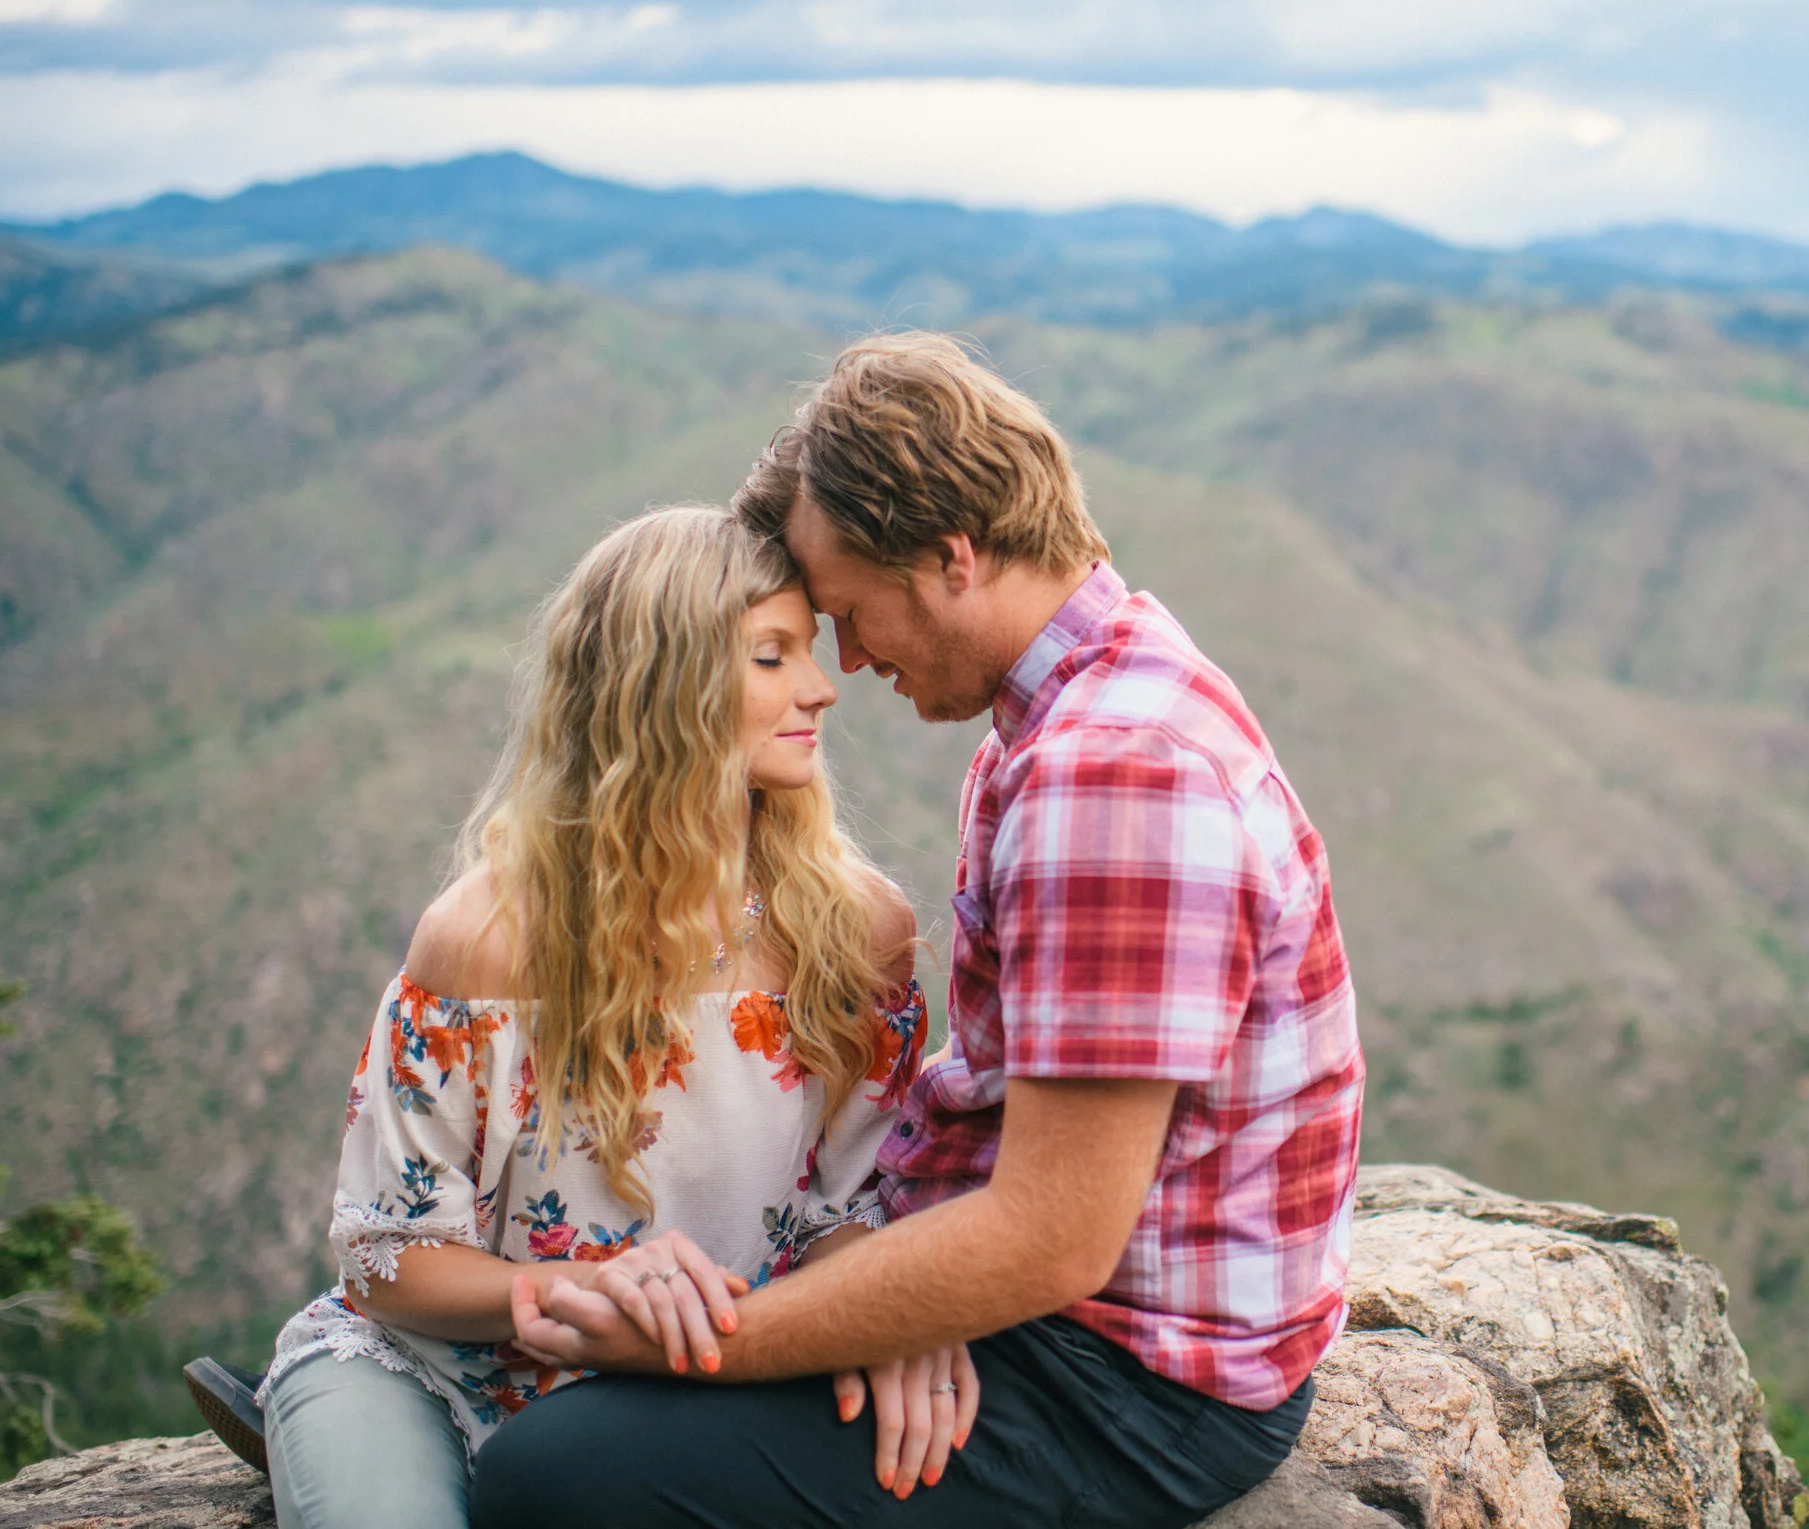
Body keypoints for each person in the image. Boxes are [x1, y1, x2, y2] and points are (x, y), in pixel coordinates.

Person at [467, 334, 1366, 1528]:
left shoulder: (1110, 773)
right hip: (1068, 1308)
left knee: (548, 1477)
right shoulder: (1086, 695)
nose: (846, 661)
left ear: (952, 556)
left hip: (1124, 1383)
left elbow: (1051, 1240)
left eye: (847, 610)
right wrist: (883, 1286)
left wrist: (705, 1350)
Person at [250, 506, 963, 1529]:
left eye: (808, 649)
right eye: (773, 655)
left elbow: (845, 1210)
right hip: (437, 1377)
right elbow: (386, 1255)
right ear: (660, 684)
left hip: (697, 1392)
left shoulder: (856, 930)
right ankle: (319, 1432)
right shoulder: (488, 935)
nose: (821, 685)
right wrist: (569, 1285)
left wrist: (896, 1315)